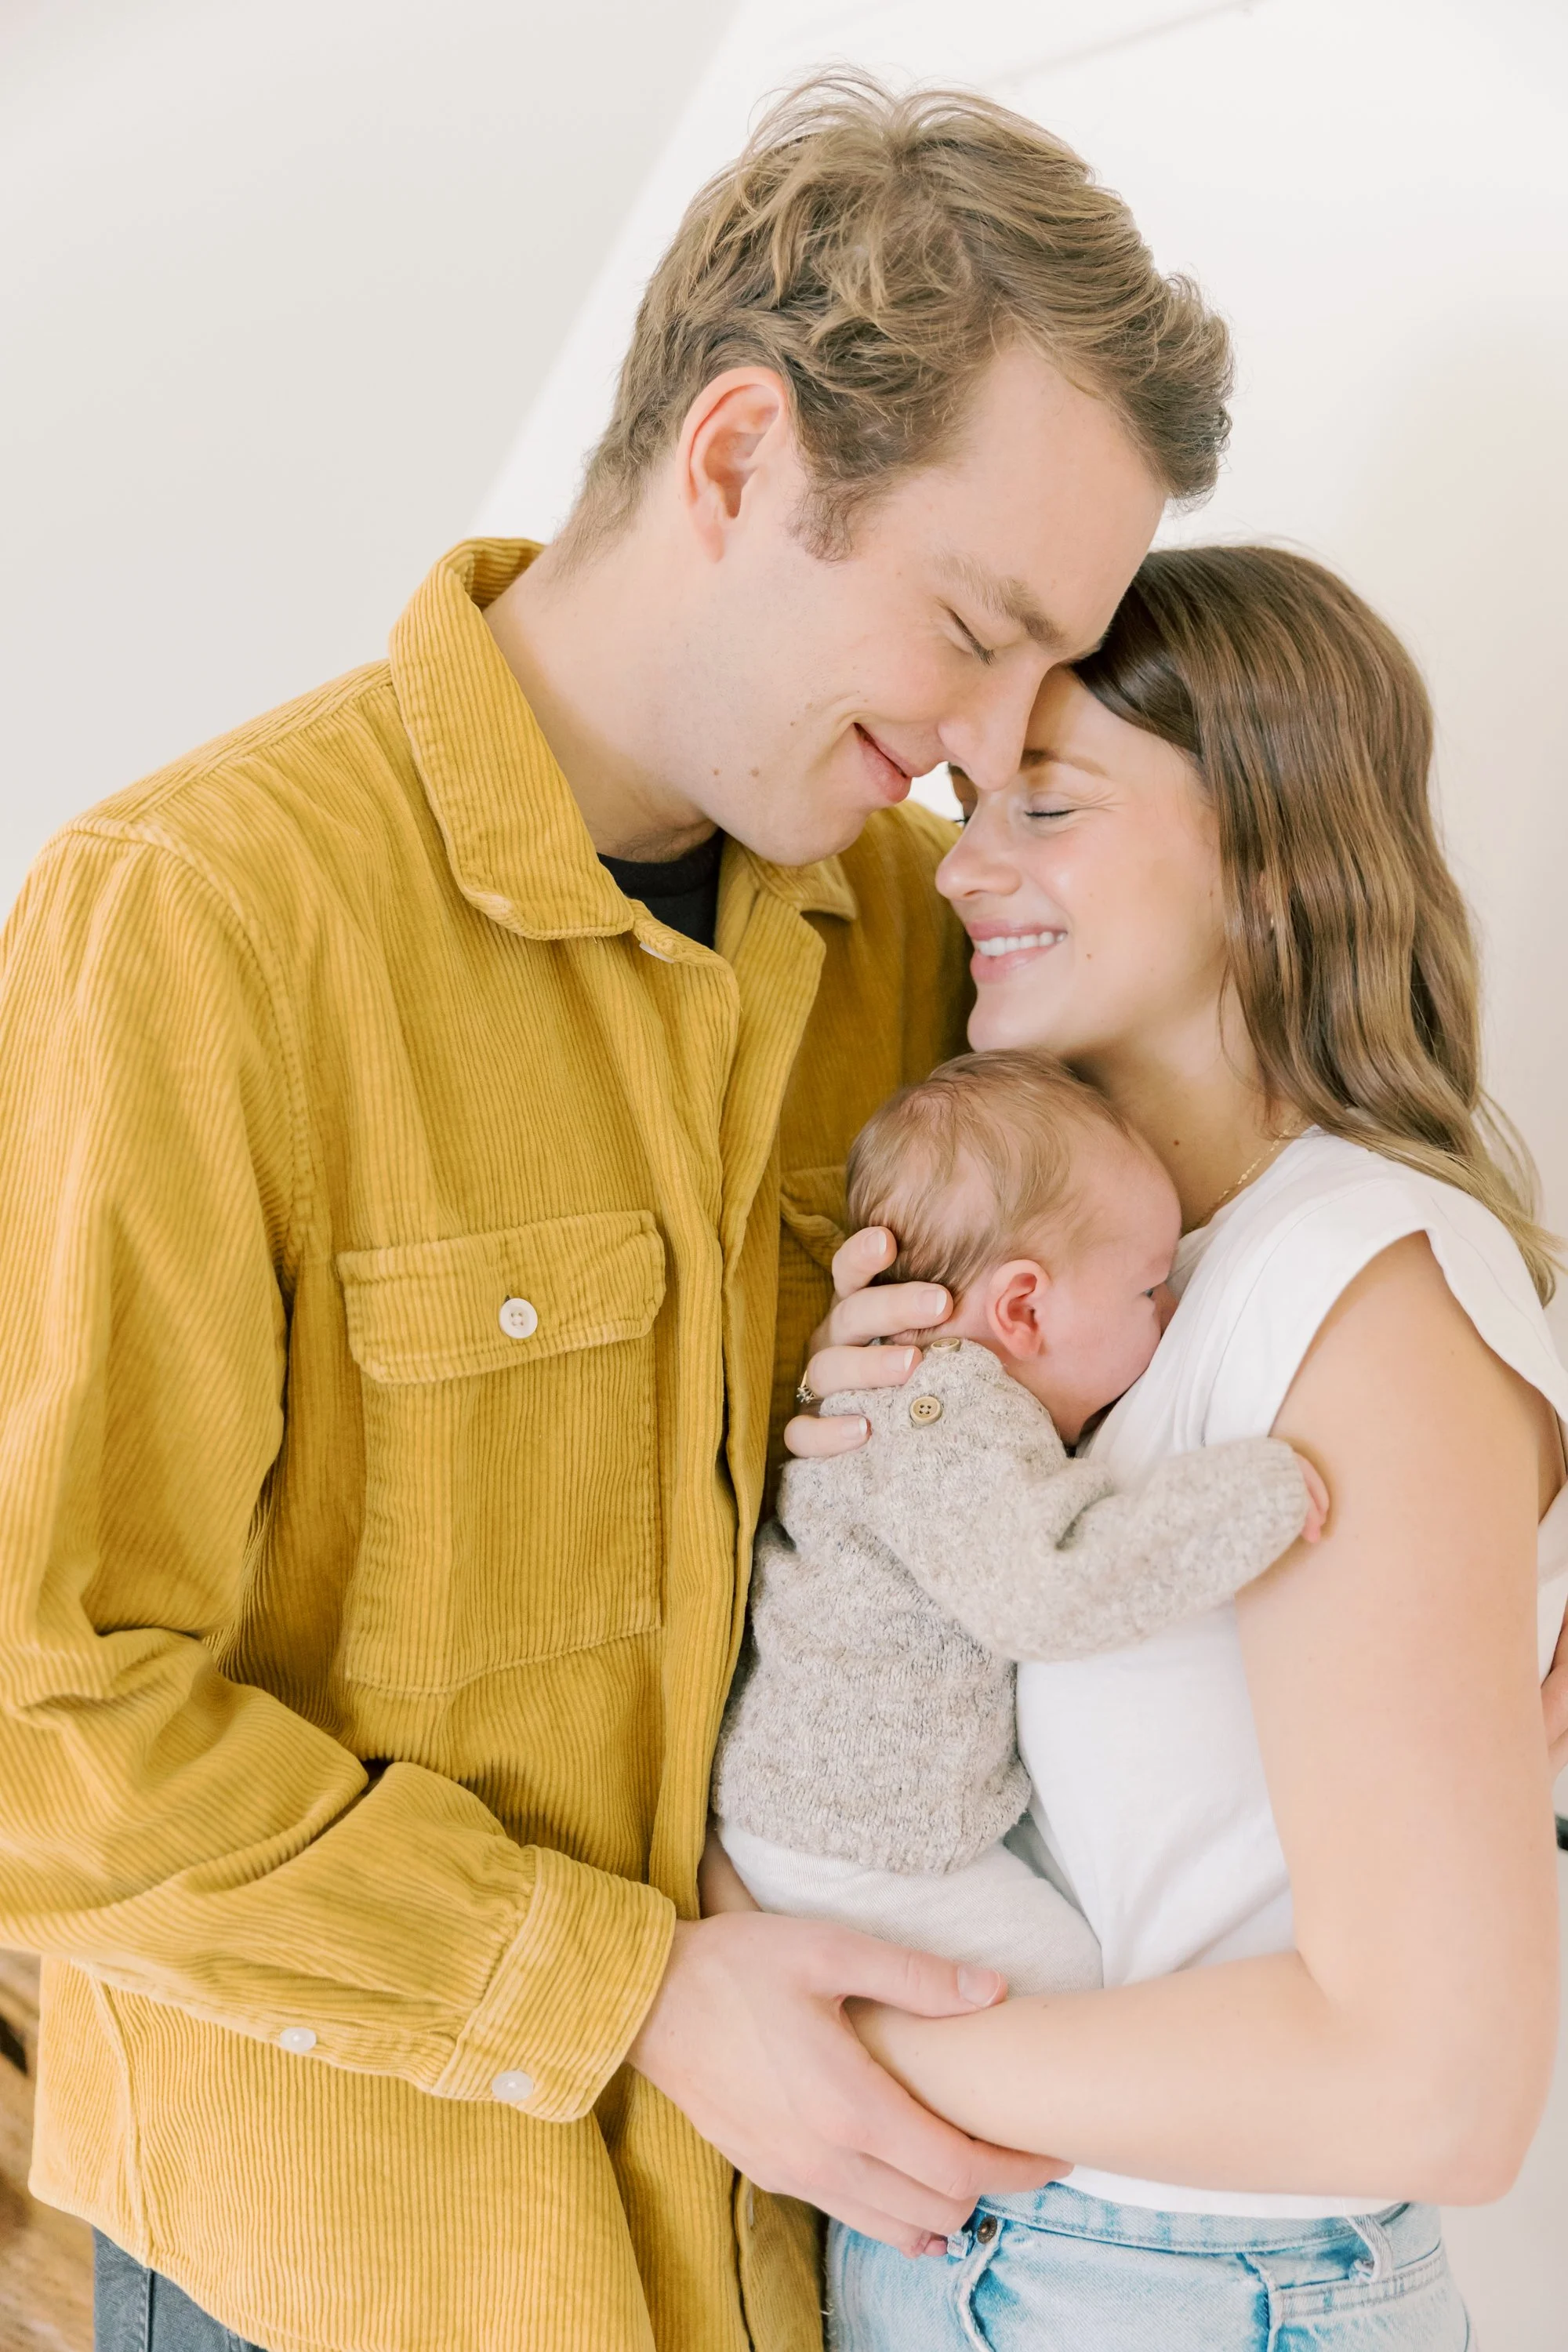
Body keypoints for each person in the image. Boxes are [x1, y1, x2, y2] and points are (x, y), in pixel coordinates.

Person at [0, 74, 1232, 2352]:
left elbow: (1229, 1285)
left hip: (828, 2269)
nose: (992, 745)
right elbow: (38, 1718)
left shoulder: (930, 935)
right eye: (968, 627)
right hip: (344, 2282)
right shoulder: (191, 921)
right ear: (738, 458)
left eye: (1038, 676)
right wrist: (627, 1989)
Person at [782, 543, 1568, 2350]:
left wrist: (830, 2041)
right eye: (968, 805)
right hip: (1033, 2258)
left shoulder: (1351, 1291)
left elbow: (1434, 2091)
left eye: (1044, 807)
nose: (959, 868)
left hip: (1187, 2291)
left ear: (1269, 861)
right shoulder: (1104, 1292)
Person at [713, 1046, 1323, 1997]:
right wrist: (1255, 1496)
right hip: (858, 1846)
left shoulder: (917, 1397)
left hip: (839, 1824)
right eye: (1146, 1291)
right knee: (1070, 1989)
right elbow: (1045, 1589)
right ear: (1024, 1309)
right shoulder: (951, 1422)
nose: (1169, 1313)